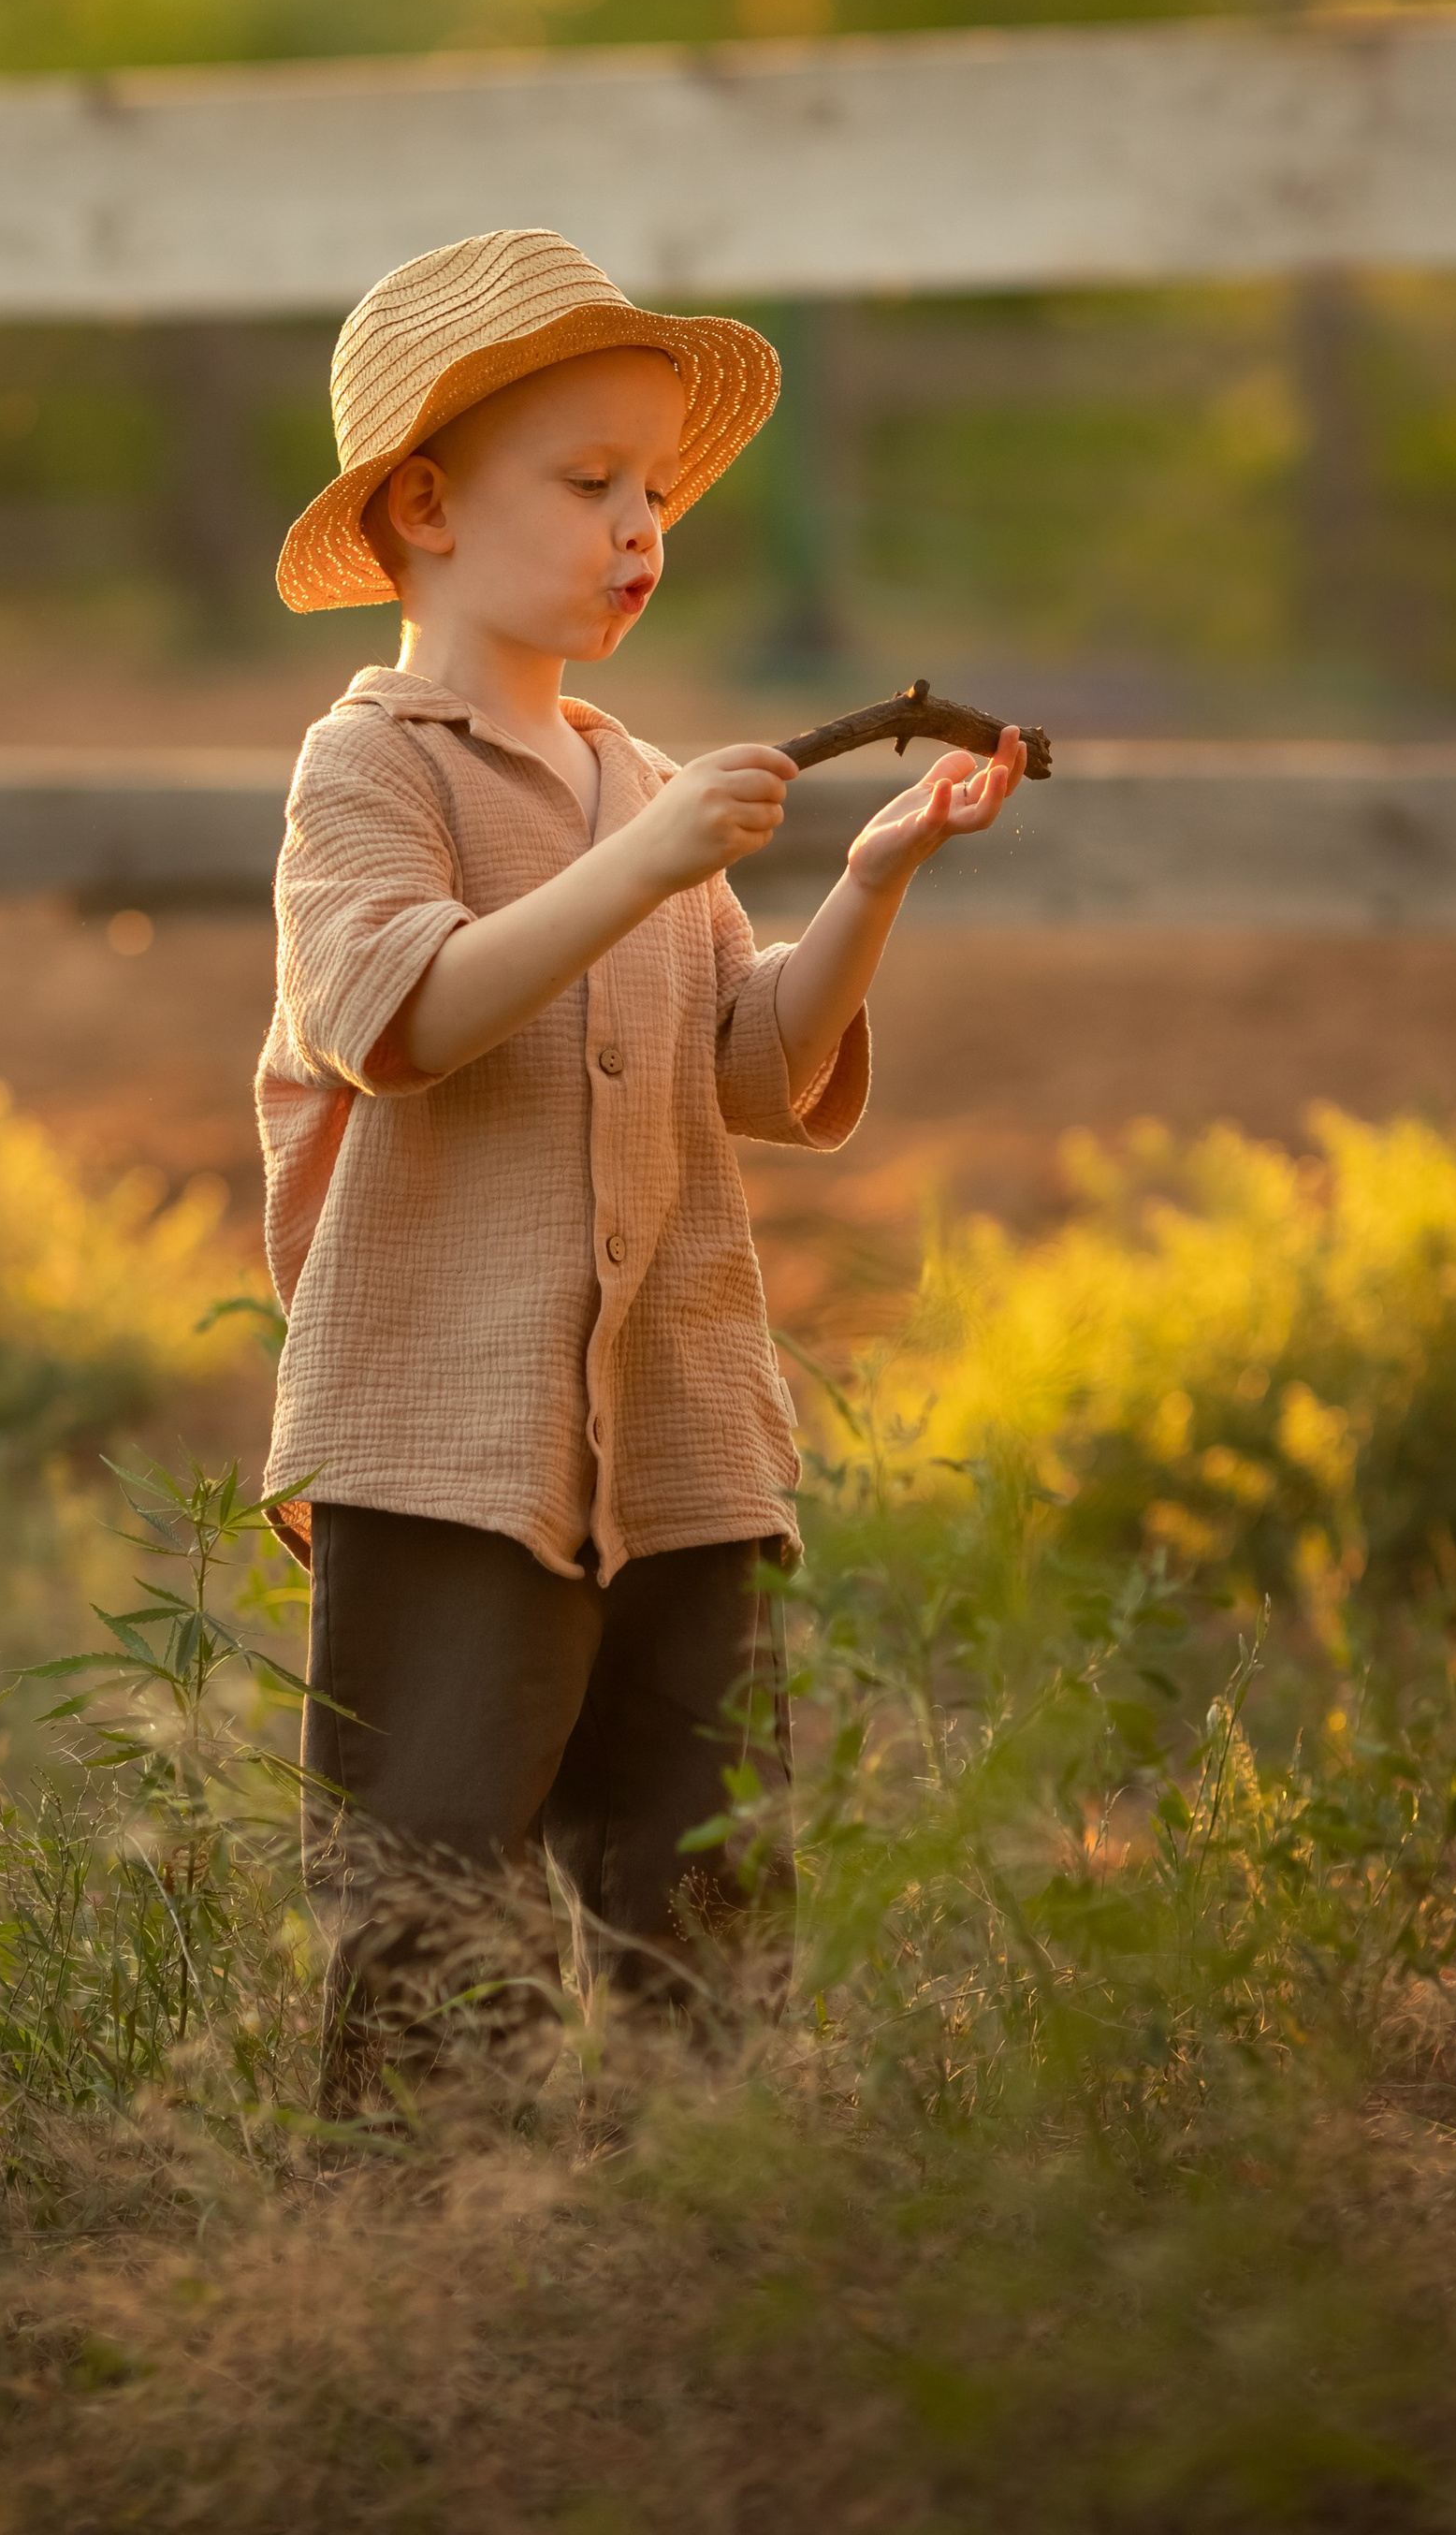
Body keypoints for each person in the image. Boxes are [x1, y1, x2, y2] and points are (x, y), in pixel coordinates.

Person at [255, 227, 1026, 2111]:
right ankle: (419, 2227)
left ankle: (688, 2196)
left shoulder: (633, 779)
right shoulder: (375, 772)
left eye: (655, 490)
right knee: (435, 1863)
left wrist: (860, 885)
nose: (638, 528)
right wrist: (651, 863)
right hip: (452, 1424)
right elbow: (400, 1019)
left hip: (674, 1425)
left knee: (699, 1860)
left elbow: (753, 1070)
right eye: (586, 483)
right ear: (421, 510)